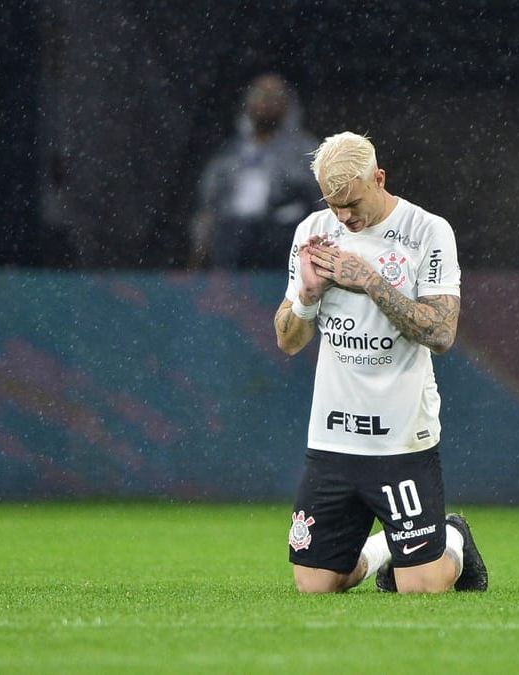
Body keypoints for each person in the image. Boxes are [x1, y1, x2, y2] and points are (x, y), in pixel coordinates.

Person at [272, 131, 488, 594]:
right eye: (334, 204)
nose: (344, 216)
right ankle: (382, 551)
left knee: (423, 587)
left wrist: (371, 282)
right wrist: (308, 296)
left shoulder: (427, 231)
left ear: (379, 178)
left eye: (352, 202)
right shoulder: (312, 232)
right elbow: (288, 340)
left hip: (401, 438)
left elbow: (441, 333)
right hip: (333, 436)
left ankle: (452, 536)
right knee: (315, 585)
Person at [190, 74, 319, 269]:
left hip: (282, 235)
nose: (267, 101)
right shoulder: (230, 151)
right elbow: (208, 202)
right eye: (261, 95)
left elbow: (321, 199)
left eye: (274, 95)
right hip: (232, 237)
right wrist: (199, 248)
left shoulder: (304, 149)